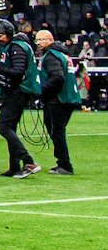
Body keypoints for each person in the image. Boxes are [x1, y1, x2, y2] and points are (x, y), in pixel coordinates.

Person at [0, 19, 42, 178]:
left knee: (3, 127)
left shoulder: (17, 47)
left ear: (9, 34)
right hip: (18, 90)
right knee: (10, 127)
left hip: (19, 91)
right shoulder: (15, 45)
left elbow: (18, 71)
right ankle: (14, 167)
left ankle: (28, 161)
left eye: (0, 36)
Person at [36, 30, 81, 175]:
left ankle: (65, 165)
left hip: (57, 99)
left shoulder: (51, 56)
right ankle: (61, 162)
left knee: (57, 131)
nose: (38, 43)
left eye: (41, 40)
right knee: (56, 130)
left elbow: (57, 78)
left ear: (50, 40)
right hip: (69, 97)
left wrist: (40, 90)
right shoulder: (63, 54)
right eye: (37, 40)